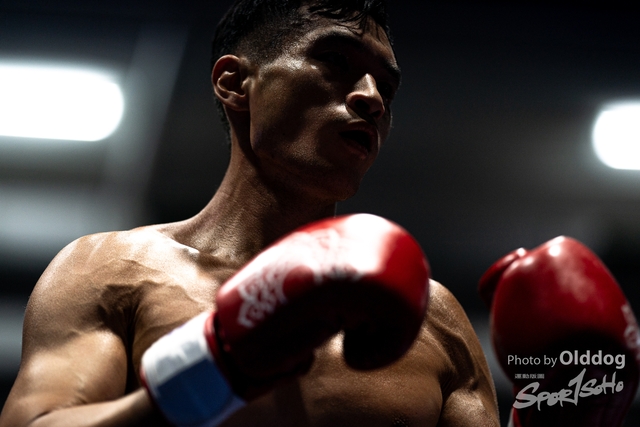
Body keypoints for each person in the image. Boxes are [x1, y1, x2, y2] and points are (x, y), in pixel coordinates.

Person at [0, 0, 499, 426]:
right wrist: (216, 369)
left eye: (386, 88)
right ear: (235, 82)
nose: (371, 99)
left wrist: (546, 406)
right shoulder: (112, 270)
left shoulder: (434, 317)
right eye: (335, 60)